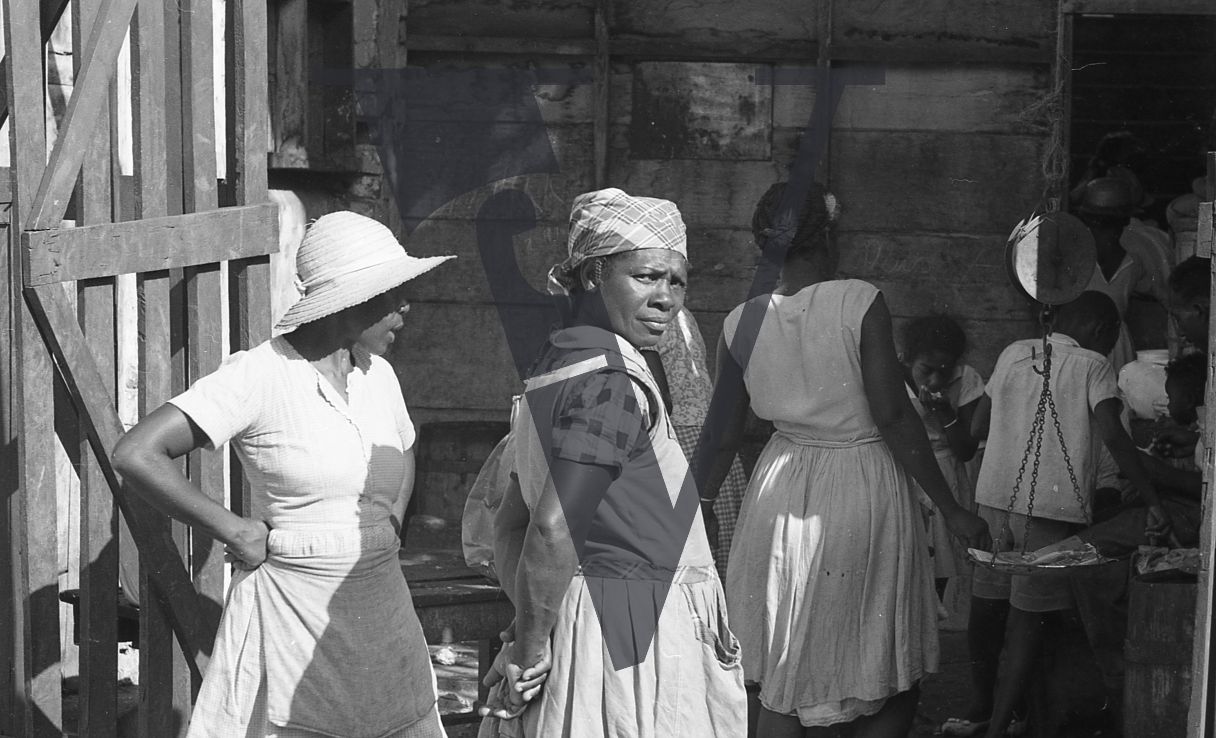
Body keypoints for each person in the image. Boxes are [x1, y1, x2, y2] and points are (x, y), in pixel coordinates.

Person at [113, 211, 454, 738]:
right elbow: (137, 453)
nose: (405, 306)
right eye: (393, 293)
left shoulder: (378, 375)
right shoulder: (260, 375)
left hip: (381, 603)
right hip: (293, 604)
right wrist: (237, 530)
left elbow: (403, 448)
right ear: (351, 298)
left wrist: (386, 526)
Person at [696, 181, 990, 738]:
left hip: (779, 492)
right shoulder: (858, 300)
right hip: (861, 486)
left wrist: (699, 504)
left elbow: (720, 435)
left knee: (783, 661)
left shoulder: (741, 320)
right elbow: (894, 417)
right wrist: (951, 508)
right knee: (880, 661)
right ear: (828, 236)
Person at [479, 188, 746, 737]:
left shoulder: (561, 362)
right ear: (593, 274)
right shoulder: (610, 382)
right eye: (646, 276)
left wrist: (536, 623)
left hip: (592, 628)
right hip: (630, 640)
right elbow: (549, 529)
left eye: (677, 280)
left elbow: (510, 523)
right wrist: (530, 649)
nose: (667, 297)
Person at [945, 291, 1170, 738]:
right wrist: (1154, 498)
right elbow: (1114, 437)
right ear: (1103, 333)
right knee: (1029, 622)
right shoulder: (1093, 365)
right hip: (1049, 508)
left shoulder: (1012, 352)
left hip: (993, 500)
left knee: (987, 609)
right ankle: (999, 725)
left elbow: (976, 428)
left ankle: (982, 706)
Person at [644, 306, 749, 579]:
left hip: (679, 447)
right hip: (713, 453)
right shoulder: (680, 312)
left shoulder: (640, 317)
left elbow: (660, 400)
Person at [899, 316, 984, 610]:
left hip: (946, 473)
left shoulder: (967, 378)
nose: (935, 381)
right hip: (903, 470)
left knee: (942, 563)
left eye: (944, 372)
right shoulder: (891, 376)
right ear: (909, 360)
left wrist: (945, 414)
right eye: (927, 370)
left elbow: (966, 449)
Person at [1075, 177, 1173, 370]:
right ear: (1127, 219)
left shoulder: (1134, 258)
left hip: (1083, 342)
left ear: (1085, 216)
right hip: (1114, 343)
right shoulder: (1137, 256)